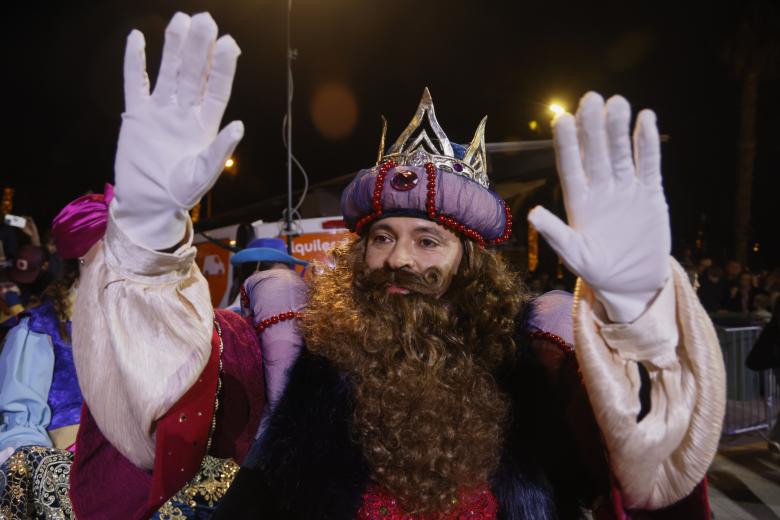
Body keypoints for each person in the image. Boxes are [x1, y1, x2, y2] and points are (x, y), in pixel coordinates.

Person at [75, 12, 725, 519]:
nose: (398, 260)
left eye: (426, 240)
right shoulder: (292, 344)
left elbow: (647, 470)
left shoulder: (544, 356)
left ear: (471, 259)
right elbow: (159, 391)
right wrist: (147, 239)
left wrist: (640, 316)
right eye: (382, 237)